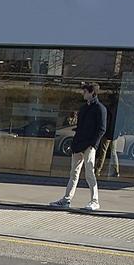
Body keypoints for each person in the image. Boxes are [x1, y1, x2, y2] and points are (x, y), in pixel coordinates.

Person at [53, 82, 107, 211]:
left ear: (92, 93)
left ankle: (95, 200)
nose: (83, 94)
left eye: (85, 92)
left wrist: (93, 145)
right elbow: (80, 127)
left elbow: (101, 129)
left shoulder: (100, 109)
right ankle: (66, 199)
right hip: (79, 144)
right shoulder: (84, 108)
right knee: (74, 173)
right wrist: (75, 143)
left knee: (89, 172)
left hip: (89, 145)